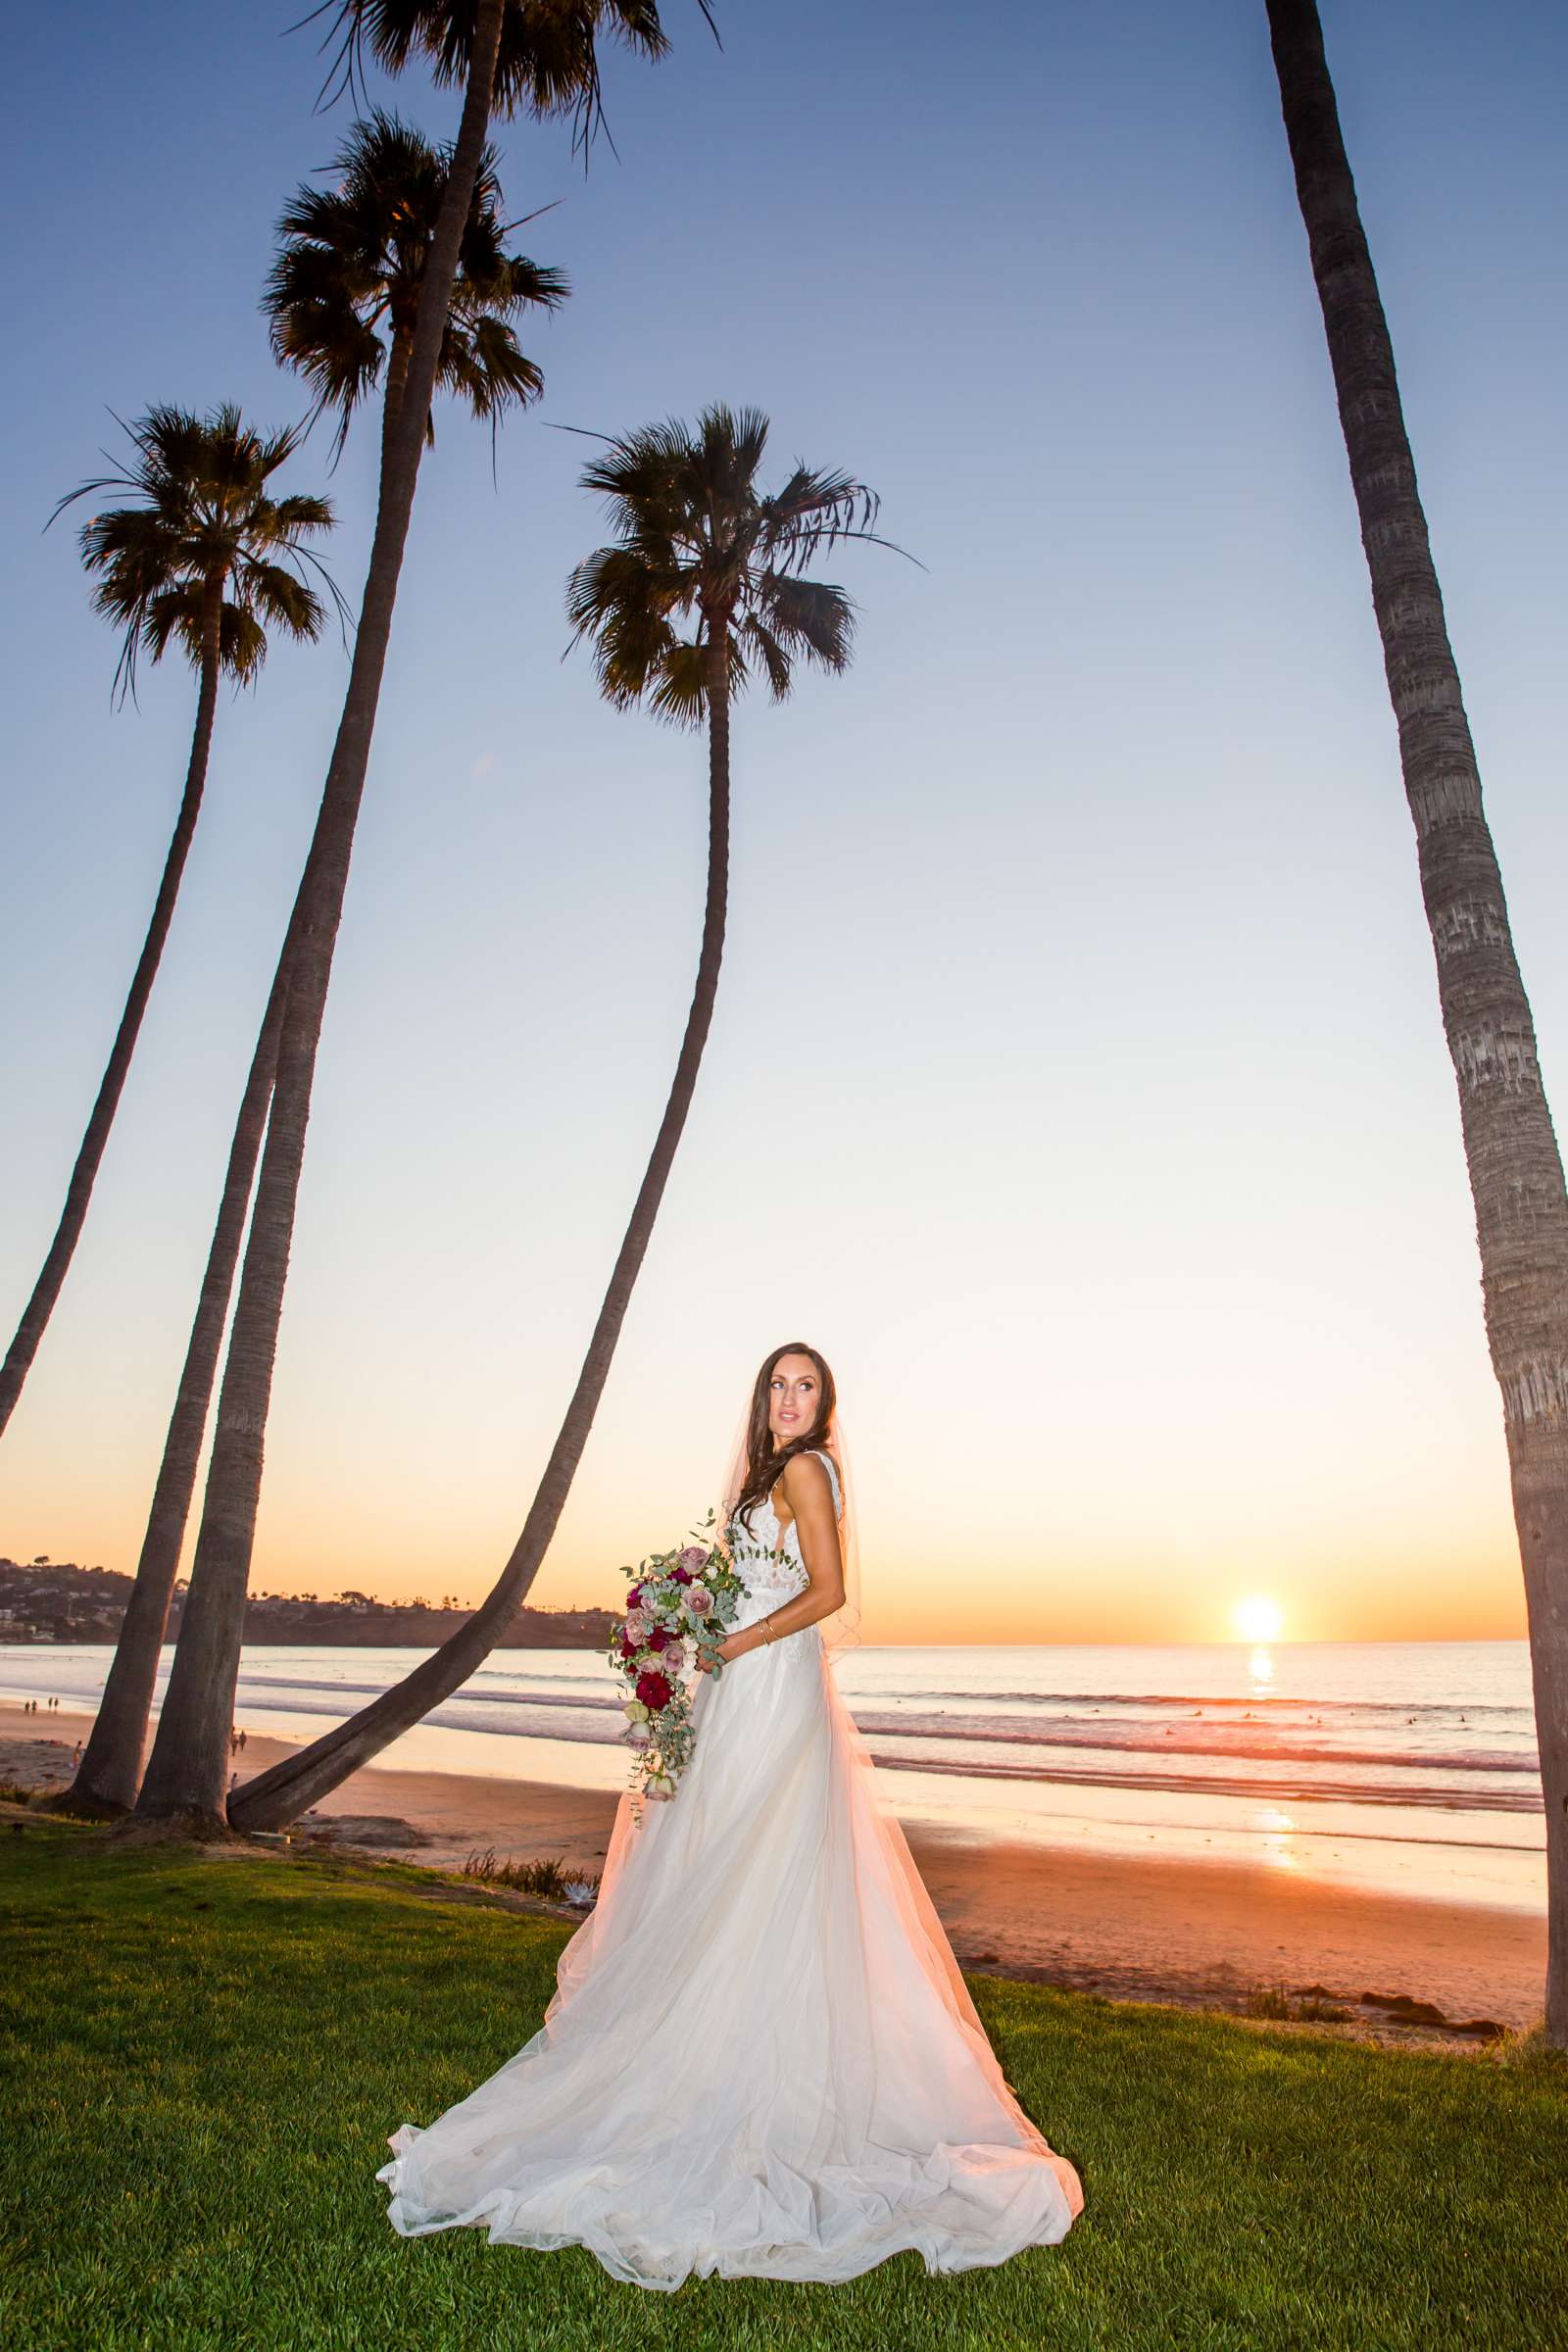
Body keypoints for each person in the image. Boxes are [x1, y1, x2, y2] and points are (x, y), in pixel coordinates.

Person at [378, 1343, 1083, 2287]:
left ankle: (747, 2079)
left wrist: (733, 1643)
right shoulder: (770, 1472)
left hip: (770, 1686)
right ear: (762, 1398)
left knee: (755, 1865)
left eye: (807, 1388)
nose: (790, 1400)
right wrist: (688, 1619)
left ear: (823, 1405)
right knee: (728, 1869)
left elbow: (829, 1594)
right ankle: (711, 2064)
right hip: (743, 1683)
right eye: (778, 1386)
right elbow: (761, 1572)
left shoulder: (804, 1468)